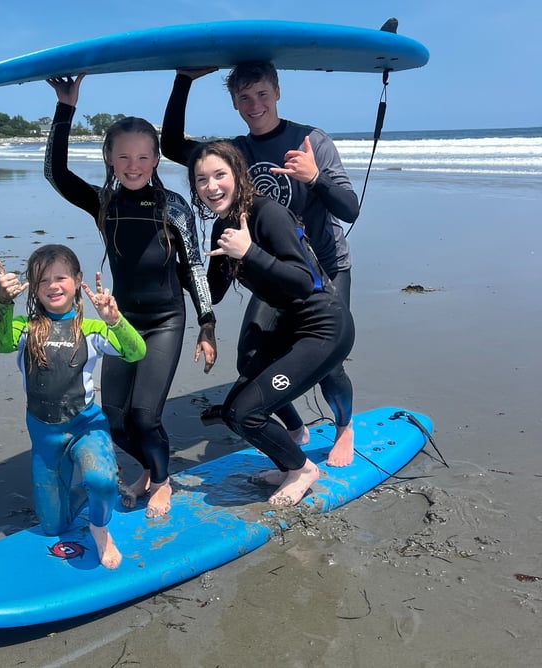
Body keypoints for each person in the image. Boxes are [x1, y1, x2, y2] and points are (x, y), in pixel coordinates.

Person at [162, 62, 359, 467]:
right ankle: (295, 429)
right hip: (270, 272)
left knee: (329, 364)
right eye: (245, 98)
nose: (255, 105)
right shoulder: (235, 153)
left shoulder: (311, 140)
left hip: (324, 269)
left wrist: (316, 177)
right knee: (251, 358)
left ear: (278, 92)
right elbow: (170, 146)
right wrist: (183, 80)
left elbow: (350, 209)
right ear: (235, 103)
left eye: (262, 94)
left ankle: (344, 427)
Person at [44, 74, 217, 518]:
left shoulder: (174, 207)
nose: (133, 165)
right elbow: (55, 173)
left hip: (165, 321)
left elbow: (193, 267)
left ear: (156, 158)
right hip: (121, 321)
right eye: (123, 156)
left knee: (144, 415)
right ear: (109, 158)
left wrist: (207, 324)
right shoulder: (104, 203)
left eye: (143, 156)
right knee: (116, 421)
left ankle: (161, 482)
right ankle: (151, 469)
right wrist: (66, 107)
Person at [188, 140, 355, 505]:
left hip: (324, 328)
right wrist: (182, 268)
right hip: (290, 326)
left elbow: (304, 280)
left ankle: (303, 469)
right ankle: (288, 460)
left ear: (238, 174)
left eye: (219, 175)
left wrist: (250, 252)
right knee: (234, 411)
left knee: (247, 413)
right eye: (201, 179)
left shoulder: (268, 214)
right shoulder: (223, 226)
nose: (211, 187)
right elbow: (214, 290)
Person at [0, 244, 146, 569]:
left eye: (60, 277)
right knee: (53, 527)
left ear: (77, 280)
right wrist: (2, 302)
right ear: (33, 287)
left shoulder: (92, 329)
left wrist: (115, 321)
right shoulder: (25, 329)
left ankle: (99, 526)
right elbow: (0, 343)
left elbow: (136, 352)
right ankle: (84, 490)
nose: (52, 286)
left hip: (85, 426)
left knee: (102, 482)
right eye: (43, 280)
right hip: (44, 436)